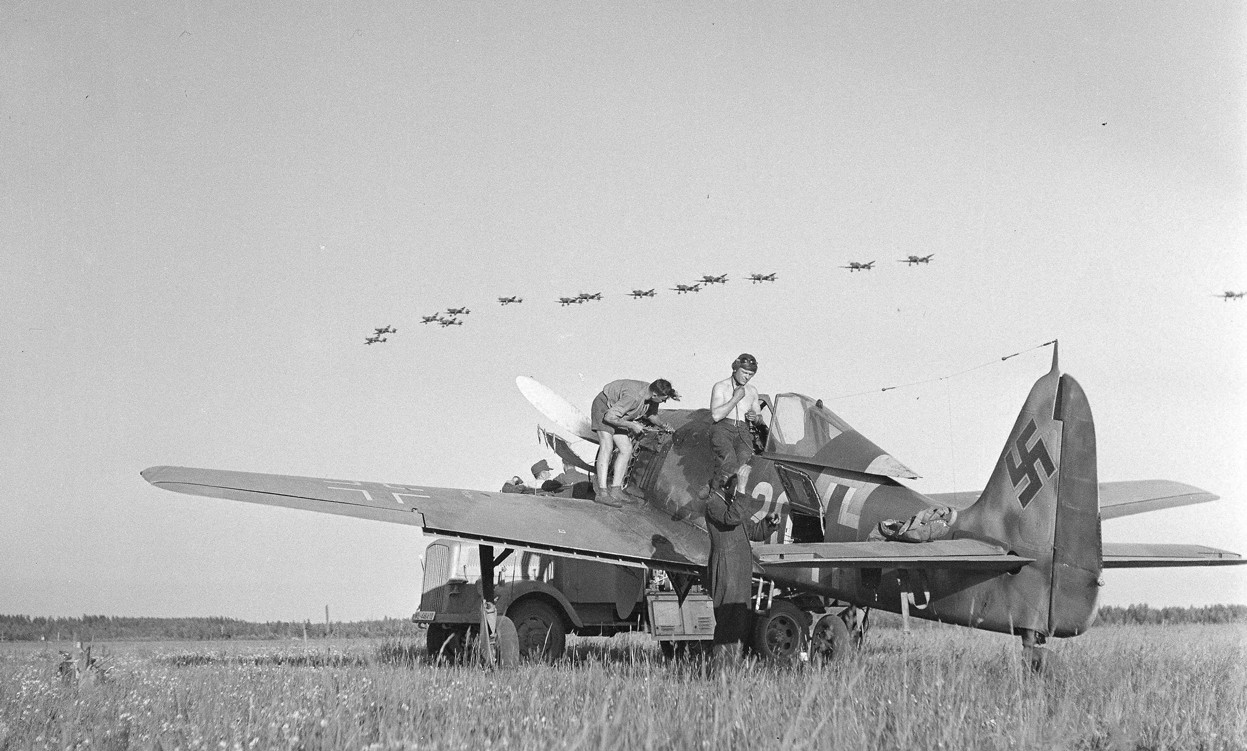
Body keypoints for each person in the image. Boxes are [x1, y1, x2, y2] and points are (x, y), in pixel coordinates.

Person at [704, 465, 780, 662]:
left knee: (739, 620)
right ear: (725, 483)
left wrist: (768, 524)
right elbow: (733, 518)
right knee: (729, 619)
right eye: (735, 481)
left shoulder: (731, 502)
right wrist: (743, 491)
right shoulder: (713, 503)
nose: (738, 485)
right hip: (727, 569)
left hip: (738, 570)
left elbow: (752, 532)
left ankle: (730, 669)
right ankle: (722, 670)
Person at [590, 378, 679, 507]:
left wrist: (662, 425)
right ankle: (602, 494)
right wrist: (632, 425)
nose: (664, 401)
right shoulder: (633, 397)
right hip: (604, 407)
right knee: (607, 446)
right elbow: (609, 417)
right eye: (663, 399)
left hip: (619, 415)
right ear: (655, 395)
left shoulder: (651, 396)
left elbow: (651, 415)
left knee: (626, 449)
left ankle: (615, 490)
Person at [708, 353, 763, 495]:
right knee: (729, 459)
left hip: (742, 431)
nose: (747, 377)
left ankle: (720, 490)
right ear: (735, 368)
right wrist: (736, 399)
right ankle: (713, 494)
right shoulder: (721, 386)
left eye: (750, 374)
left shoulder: (752, 391)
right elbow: (716, 415)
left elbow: (759, 418)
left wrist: (755, 417)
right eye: (744, 372)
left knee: (744, 461)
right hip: (722, 427)